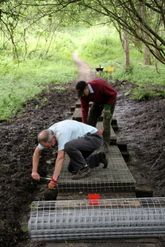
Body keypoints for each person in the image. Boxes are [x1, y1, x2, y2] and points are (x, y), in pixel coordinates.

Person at [31, 119, 108, 190]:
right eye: (47, 147)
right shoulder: (46, 136)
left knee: (69, 146)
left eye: (50, 145)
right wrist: (34, 171)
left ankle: (84, 169)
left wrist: (54, 180)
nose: (50, 148)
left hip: (94, 138)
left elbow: (60, 157)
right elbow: (37, 152)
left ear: (54, 136)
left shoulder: (61, 133)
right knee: (72, 168)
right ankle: (98, 158)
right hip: (83, 142)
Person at [75, 79, 117, 153]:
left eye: (83, 93)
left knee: (106, 124)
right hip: (97, 103)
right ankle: (90, 142)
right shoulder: (83, 96)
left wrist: (107, 108)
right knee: (90, 122)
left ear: (86, 88)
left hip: (109, 101)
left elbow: (114, 93)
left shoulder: (98, 85)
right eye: (80, 94)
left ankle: (105, 145)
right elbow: (84, 110)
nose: (82, 95)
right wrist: (84, 125)